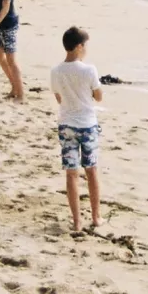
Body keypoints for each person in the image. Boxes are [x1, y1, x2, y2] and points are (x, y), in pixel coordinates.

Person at [50, 26, 103, 233]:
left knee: (71, 174)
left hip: (66, 124)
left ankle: (77, 221)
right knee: (91, 171)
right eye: (85, 45)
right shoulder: (89, 70)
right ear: (79, 47)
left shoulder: (56, 71)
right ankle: (96, 217)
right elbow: (98, 97)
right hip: (87, 125)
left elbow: (58, 98)